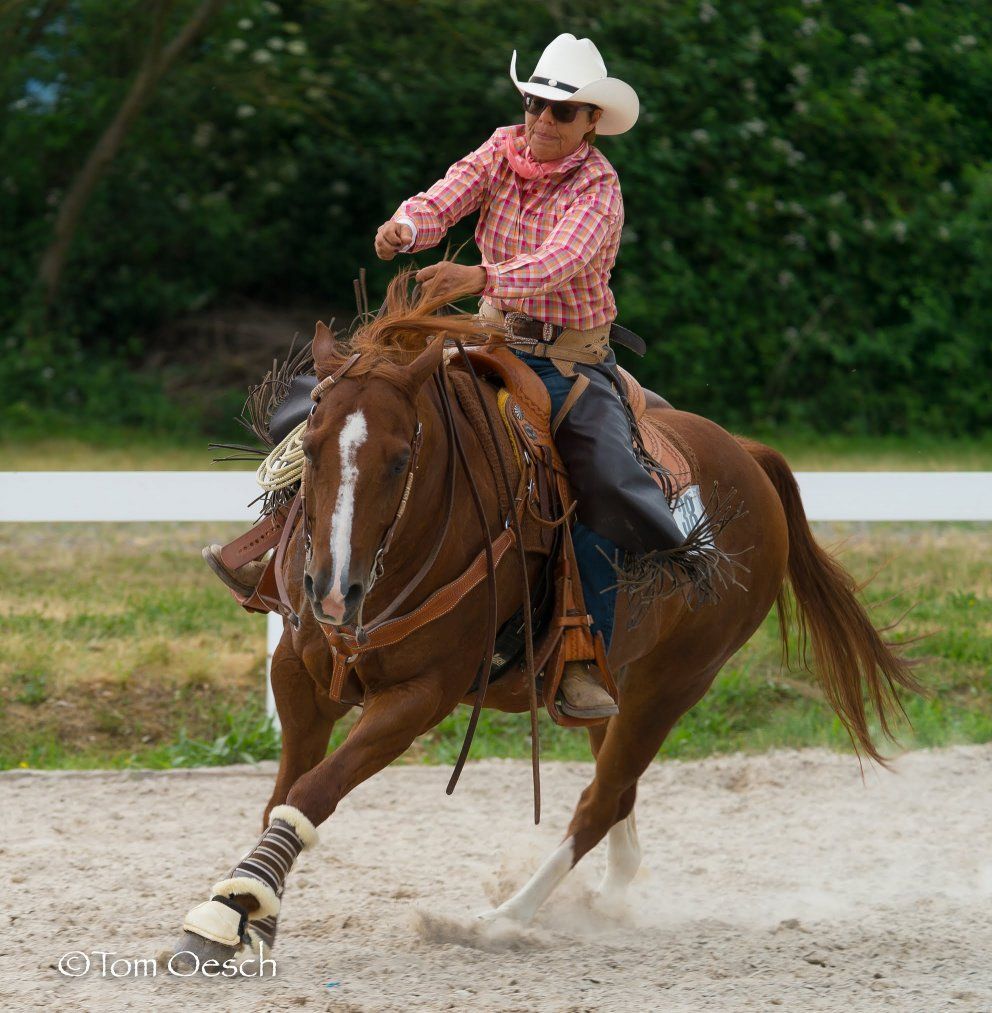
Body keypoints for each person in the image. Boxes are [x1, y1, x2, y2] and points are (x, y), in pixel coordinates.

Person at [207, 34, 692, 720]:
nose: (543, 121)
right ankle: (270, 551)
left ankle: (584, 651)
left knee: (600, 479)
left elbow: (562, 261)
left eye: (563, 111)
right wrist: (406, 226)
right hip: (486, 338)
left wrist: (479, 276)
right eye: (535, 104)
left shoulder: (599, 187)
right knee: (337, 413)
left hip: (567, 360)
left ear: (591, 122)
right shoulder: (500, 148)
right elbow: (445, 195)